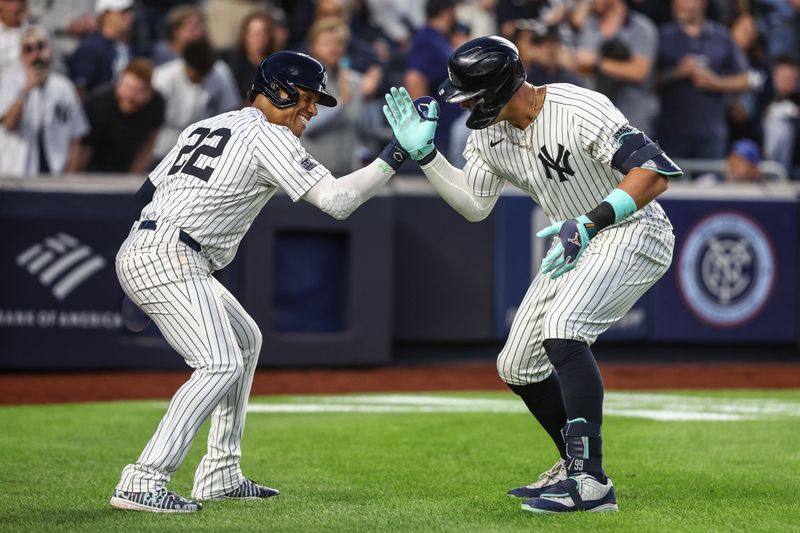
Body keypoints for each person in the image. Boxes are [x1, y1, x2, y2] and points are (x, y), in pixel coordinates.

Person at [383, 36, 681, 513]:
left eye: (471, 95)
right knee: (516, 365)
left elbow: (653, 173)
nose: (463, 104)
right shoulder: (487, 136)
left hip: (632, 230)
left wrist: (588, 223)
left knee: (564, 330)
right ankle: (572, 466)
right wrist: (427, 158)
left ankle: (591, 483)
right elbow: (476, 205)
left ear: (500, 88)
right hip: (573, 243)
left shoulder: (578, 106)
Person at [110, 50, 415, 513]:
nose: (311, 110)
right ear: (278, 89)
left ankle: (220, 472)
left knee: (244, 340)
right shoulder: (268, 134)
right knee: (220, 362)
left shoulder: (206, 125)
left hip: (159, 249)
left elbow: (144, 194)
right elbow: (336, 201)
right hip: (171, 256)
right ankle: (143, 478)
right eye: (308, 98)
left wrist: (143, 261)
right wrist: (395, 155)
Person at [655, 0, 750, 159]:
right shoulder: (663, 36)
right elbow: (647, 82)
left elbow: (747, 79)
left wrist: (716, 82)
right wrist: (675, 73)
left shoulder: (722, 36)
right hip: (671, 132)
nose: (679, 4)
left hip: (711, 133)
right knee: (672, 183)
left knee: (711, 182)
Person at [0, 26, 88, 177]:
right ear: (22, 55)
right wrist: (26, 89)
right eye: (28, 49)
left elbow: (76, 137)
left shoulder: (65, 88)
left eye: (40, 46)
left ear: (50, 50)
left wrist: (70, 180)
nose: (36, 54)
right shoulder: (9, 83)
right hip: (15, 173)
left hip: (54, 173)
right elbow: (9, 123)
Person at [574, 0, 660, 136]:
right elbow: (581, 66)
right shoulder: (589, 25)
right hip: (595, 120)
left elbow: (639, 72)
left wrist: (597, 62)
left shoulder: (641, 27)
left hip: (633, 119)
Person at [152, 37, 240, 164]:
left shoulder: (220, 73)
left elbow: (230, 110)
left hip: (203, 147)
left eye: (205, 75)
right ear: (186, 63)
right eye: (197, 74)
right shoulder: (162, 77)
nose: (202, 79)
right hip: (163, 147)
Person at [79, 58, 164, 173]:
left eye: (139, 90)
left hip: (128, 167)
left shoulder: (156, 104)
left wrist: (133, 177)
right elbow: (84, 146)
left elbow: (149, 143)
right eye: (127, 87)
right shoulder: (99, 102)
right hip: (92, 166)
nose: (131, 95)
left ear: (150, 92)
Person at [68, 0, 135, 99]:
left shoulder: (124, 47)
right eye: (122, 12)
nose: (128, 16)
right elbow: (80, 91)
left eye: (130, 12)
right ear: (105, 15)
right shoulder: (90, 47)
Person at [695, 138, 764, 185]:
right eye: (731, 159)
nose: (732, 164)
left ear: (753, 167)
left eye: (739, 161)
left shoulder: (764, 192)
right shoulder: (710, 183)